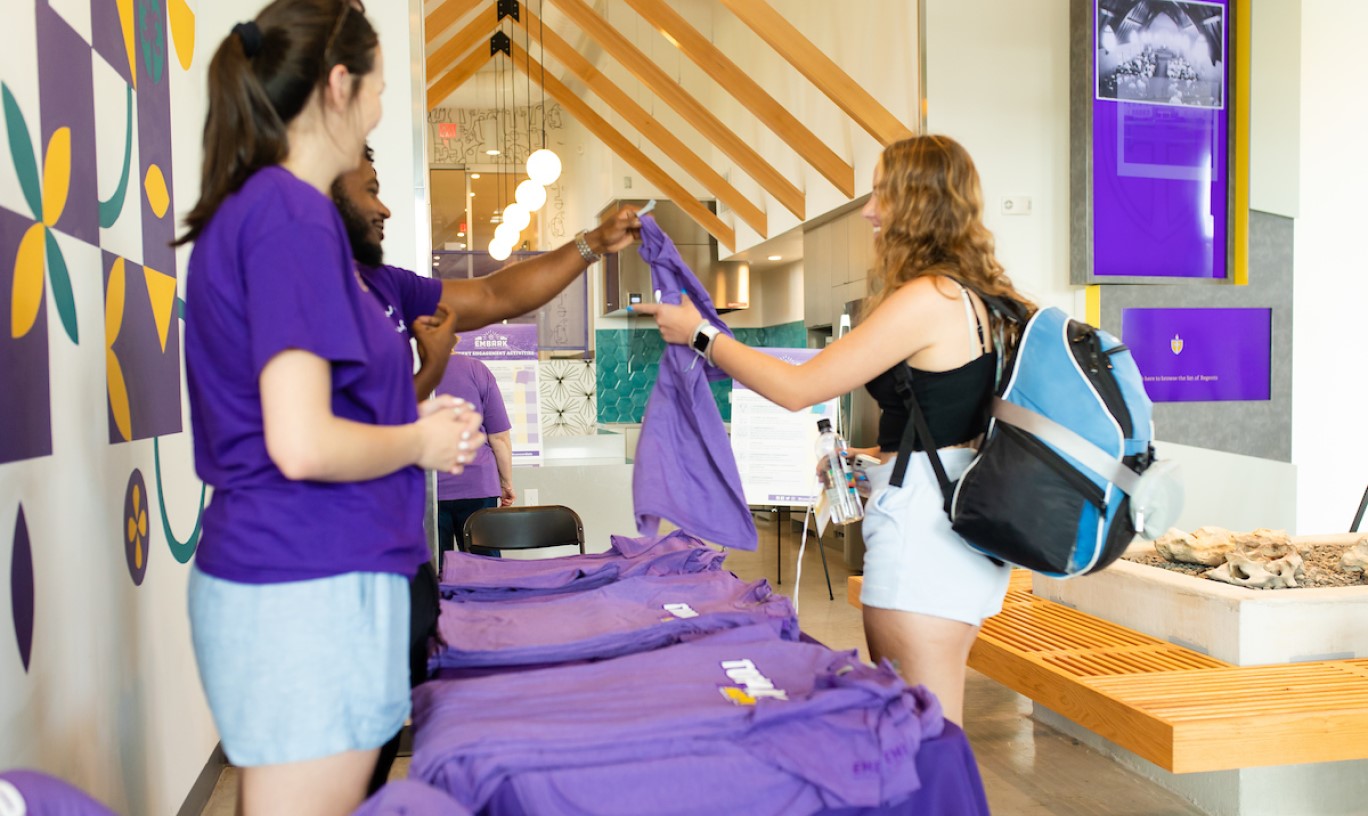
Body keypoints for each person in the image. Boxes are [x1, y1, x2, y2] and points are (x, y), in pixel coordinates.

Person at [178, 3, 486, 813]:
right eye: (380, 88)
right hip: (305, 582)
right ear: (338, 84)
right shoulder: (290, 215)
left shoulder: (263, 210)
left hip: (299, 580)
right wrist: (418, 441)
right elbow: (303, 441)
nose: (381, 110)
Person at [636, 135, 1035, 725]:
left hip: (925, 541)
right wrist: (873, 459)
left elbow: (798, 389)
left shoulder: (930, 296)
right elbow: (956, 426)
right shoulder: (992, 301)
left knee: (921, 731)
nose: (870, 211)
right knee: (928, 725)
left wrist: (701, 334)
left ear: (919, 201)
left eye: (881, 193)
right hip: (962, 534)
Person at [330, 147, 639, 794]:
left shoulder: (383, 283)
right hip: (341, 560)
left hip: (398, 547)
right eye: (372, 191)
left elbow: (498, 293)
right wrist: (433, 369)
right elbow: (342, 433)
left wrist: (589, 244)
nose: (384, 208)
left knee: (385, 733)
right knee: (339, 751)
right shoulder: (314, 292)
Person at [433, 347, 516, 558]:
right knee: (485, 570)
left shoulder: (412, 371)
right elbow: (499, 437)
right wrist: (506, 482)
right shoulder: (476, 369)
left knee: (436, 572)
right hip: (478, 487)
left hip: (429, 489)